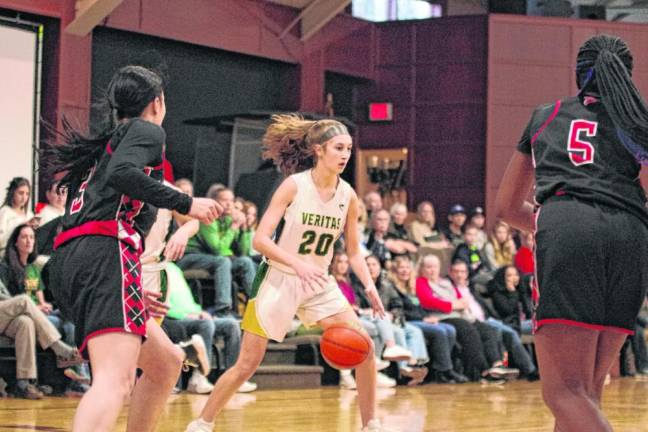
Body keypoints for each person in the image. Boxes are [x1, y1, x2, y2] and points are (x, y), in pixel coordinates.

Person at [185, 114, 391, 432]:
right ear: (319, 150)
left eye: (349, 149)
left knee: (363, 347)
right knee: (247, 364)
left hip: (319, 281)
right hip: (279, 278)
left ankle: (371, 425)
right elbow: (260, 240)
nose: (345, 155)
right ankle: (202, 422)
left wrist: (369, 286)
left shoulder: (348, 195)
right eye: (339, 148)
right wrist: (297, 263)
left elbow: (352, 252)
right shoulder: (294, 186)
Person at [45, 65, 221, 432]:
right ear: (157, 103)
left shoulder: (103, 147)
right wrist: (187, 204)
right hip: (104, 254)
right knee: (115, 380)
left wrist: (129, 287)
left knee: (166, 362)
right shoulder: (145, 131)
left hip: (76, 262)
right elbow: (123, 174)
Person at [495, 35, 648, 431]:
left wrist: (550, 224)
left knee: (563, 393)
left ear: (579, 72)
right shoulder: (638, 123)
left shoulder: (547, 115)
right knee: (585, 393)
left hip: (569, 228)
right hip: (633, 234)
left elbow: (508, 207)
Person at [0, 177, 37, 257]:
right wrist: (19, 228)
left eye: (27, 194)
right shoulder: (5, 212)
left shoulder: (29, 214)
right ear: (13, 193)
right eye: (21, 193)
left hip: (27, 255)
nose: (24, 197)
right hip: (8, 254)